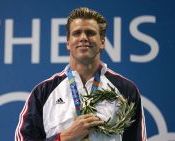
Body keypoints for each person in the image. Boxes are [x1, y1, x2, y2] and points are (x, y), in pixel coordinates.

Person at [15, 7, 147, 141]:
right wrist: (64, 137)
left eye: (90, 33)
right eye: (77, 33)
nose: (83, 38)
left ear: (102, 42)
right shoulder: (43, 92)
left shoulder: (126, 90)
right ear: (68, 42)